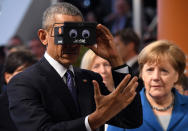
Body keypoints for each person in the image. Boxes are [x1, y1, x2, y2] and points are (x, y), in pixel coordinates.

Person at [7, 2, 142, 131]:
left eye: (76, 35)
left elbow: (131, 120)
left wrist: (115, 59)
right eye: (64, 34)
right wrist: (94, 120)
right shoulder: (23, 83)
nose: (72, 44)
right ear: (44, 36)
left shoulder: (89, 79)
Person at [107, 40, 188, 131]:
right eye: (150, 70)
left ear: (177, 75)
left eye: (164, 71)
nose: (156, 77)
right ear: (141, 74)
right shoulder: (123, 109)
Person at [0, 50, 37, 131]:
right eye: (22, 72)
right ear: (7, 77)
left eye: (32, 72)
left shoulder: (44, 99)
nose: (28, 77)